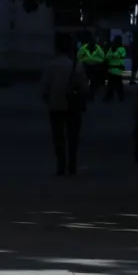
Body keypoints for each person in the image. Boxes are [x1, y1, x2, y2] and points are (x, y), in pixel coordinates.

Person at [41, 34, 89, 176]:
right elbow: (85, 88)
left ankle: (61, 165)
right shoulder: (76, 67)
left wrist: (50, 100)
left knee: (58, 137)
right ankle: (72, 164)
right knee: (73, 137)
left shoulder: (51, 67)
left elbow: (44, 89)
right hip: (73, 106)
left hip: (56, 106)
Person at [77, 32, 105, 100]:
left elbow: (102, 57)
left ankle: (91, 94)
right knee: (86, 82)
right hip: (87, 67)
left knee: (93, 82)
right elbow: (79, 56)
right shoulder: (84, 48)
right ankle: (88, 94)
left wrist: (96, 61)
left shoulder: (98, 48)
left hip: (94, 68)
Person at [104, 35, 126, 102]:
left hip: (116, 69)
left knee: (116, 84)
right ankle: (112, 97)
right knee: (113, 84)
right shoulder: (113, 48)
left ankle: (117, 97)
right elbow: (108, 56)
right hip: (113, 69)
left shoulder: (121, 49)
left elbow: (115, 56)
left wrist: (111, 55)